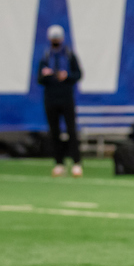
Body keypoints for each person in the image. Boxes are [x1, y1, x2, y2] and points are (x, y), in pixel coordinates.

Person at [37, 25, 83, 177]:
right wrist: (47, 75)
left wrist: (67, 76)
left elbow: (78, 74)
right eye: (53, 38)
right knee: (54, 132)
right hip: (51, 99)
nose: (55, 41)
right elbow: (39, 79)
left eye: (57, 38)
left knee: (71, 130)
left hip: (66, 98)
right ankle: (59, 163)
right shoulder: (46, 56)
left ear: (62, 39)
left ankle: (76, 162)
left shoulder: (69, 55)